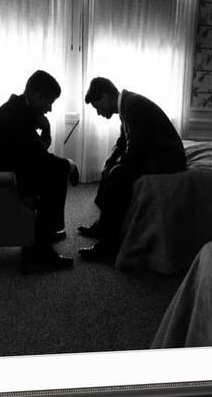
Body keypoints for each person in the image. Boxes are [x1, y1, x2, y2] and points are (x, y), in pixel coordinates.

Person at [0, 70, 79, 268]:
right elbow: (41, 160)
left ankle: (45, 234)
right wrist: (70, 165)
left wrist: (45, 132)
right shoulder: (17, 118)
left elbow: (33, 154)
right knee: (56, 174)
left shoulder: (18, 110)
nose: (50, 109)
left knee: (53, 170)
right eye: (50, 102)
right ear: (38, 96)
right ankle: (40, 253)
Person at [78, 77, 186, 261]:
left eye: (97, 107)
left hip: (168, 158)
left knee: (118, 175)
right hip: (154, 152)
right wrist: (110, 161)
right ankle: (103, 226)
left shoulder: (133, 105)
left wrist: (117, 166)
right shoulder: (127, 105)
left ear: (105, 97)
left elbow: (136, 146)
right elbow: (123, 141)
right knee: (111, 168)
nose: (98, 113)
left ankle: (109, 246)